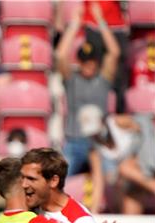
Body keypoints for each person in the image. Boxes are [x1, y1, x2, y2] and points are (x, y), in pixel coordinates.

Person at [56, 2, 119, 176]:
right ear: (80, 62)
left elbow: (114, 52)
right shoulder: (72, 80)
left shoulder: (103, 79)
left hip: (100, 142)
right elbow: (60, 55)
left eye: (91, 61)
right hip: (74, 141)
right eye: (84, 61)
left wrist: (100, 20)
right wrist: (75, 25)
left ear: (96, 62)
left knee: (112, 178)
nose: (88, 65)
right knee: (61, 180)